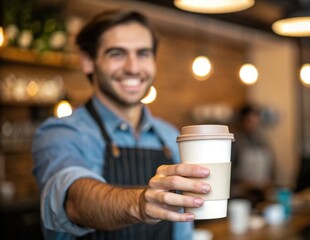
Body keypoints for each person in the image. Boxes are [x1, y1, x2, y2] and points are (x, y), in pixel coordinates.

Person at [32, 9, 211, 240]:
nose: (133, 68)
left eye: (143, 54)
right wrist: (139, 204)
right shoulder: (61, 133)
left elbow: (182, 229)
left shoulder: (170, 135)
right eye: (117, 54)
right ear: (88, 61)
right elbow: (76, 201)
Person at [231, 104, 275, 207]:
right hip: (240, 196)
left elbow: (272, 168)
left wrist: (268, 183)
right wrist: (244, 183)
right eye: (250, 122)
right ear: (242, 121)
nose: (253, 125)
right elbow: (229, 171)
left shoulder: (263, 140)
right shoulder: (235, 142)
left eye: (256, 122)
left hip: (261, 194)